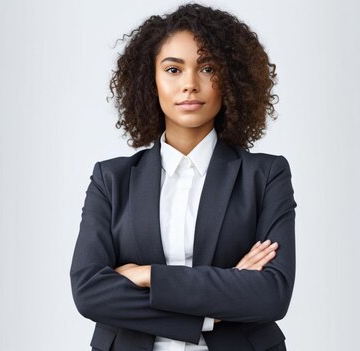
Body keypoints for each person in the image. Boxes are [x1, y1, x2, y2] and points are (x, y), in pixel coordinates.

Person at [70, 3, 297, 350]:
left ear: (231, 79)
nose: (190, 84)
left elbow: (271, 295)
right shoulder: (111, 179)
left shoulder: (265, 175)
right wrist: (216, 305)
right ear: (151, 81)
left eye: (207, 68)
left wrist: (148, 276)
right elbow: (89, 292)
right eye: (173, 70)